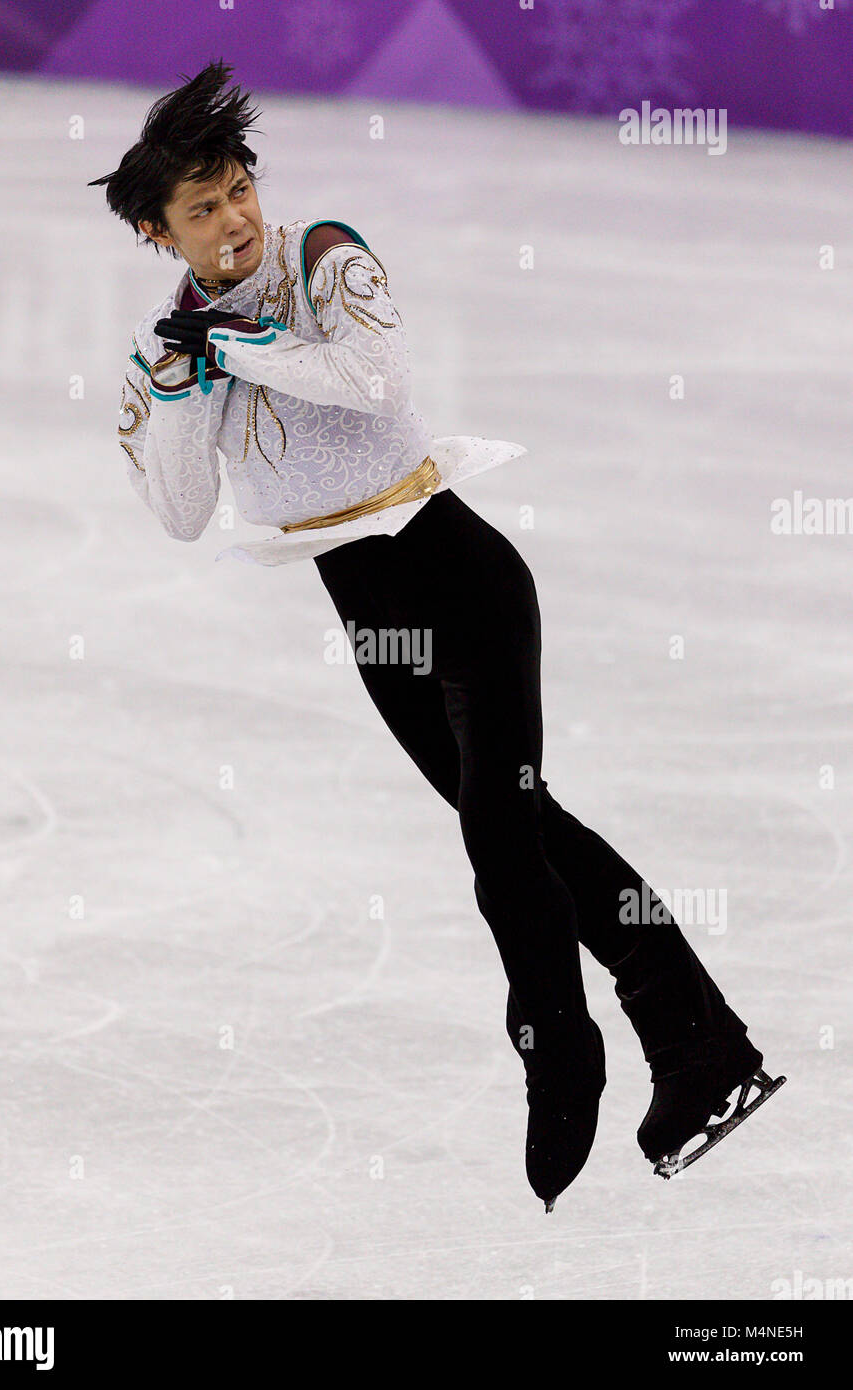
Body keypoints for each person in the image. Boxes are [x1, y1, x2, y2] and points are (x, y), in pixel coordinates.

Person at [90, 61, 783, 1210]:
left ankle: (558, 1048)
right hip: (368, 616)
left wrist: (233, 350)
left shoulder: (324, 258)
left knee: (503, 846)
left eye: (235, 189)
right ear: (162, 234)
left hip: (457, 573)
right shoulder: (172, 346)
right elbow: (175, 514)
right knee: (529, 830)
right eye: (201, 210)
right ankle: (699, 1044)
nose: (232, 220)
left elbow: (370, 379)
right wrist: (178, 386)